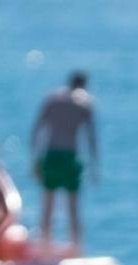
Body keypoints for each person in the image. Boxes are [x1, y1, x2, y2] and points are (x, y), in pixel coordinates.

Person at [28, 70, 100, 250]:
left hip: (51, 155)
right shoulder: (84, 103)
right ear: (84, 84)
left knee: (48, 205)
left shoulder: (52, 100)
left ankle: (44, 246)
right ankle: (76, 247)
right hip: (70, 156)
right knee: (73, 207)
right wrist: (94, 165)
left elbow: (37, 130)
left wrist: (35, 160)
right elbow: (91, 137)